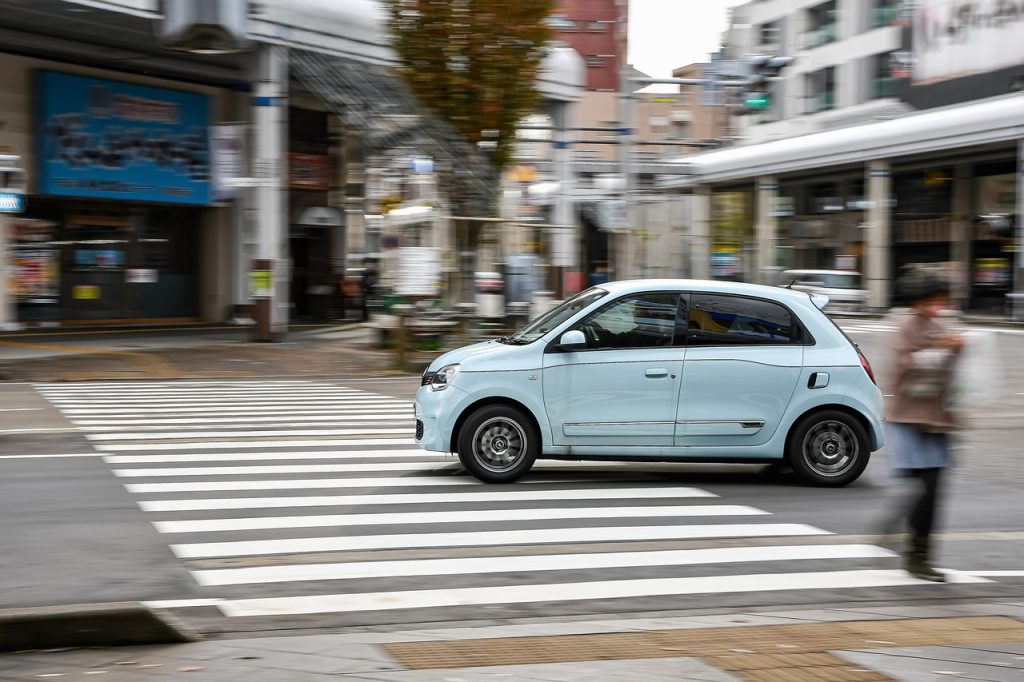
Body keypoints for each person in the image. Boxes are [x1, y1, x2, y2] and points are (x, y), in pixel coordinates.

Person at [884, 266, 964, 582]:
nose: (938, 306)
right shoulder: (903, 325)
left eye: (940, 300)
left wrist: (959, 350)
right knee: (926, 490)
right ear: (918, 300)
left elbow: (948, 374)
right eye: (933, 300)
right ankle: (916, 558)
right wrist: (941, 349)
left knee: (929, 490)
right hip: (911, 420)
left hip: (937, 422)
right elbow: (904, 368)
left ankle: (914, 550)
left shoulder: (938, 324)